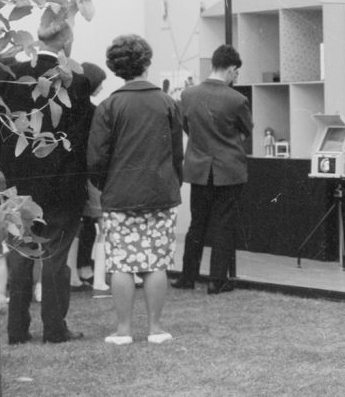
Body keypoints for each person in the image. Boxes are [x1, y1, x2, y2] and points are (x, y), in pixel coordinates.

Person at [0, 15, 93, 344]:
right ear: (66, 42)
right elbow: (81, 139)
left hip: (18, 183)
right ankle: (54, 328)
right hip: (63, 184)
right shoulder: (77, 83)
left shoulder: (11, 77)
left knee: (20, 254)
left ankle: (16, 330)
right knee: (55, 257)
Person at [87, 35, 183, 345]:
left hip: (120, 194)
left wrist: (106, 186)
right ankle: (156, 328)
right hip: (160, 191)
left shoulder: (108, 106)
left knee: (122, 263)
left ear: (116, 67)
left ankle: (123, 330)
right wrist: (171, 182)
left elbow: (96, 158)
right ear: (147, 61)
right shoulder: (168, 102)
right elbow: (177, 154)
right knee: (156, 262)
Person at [174, 45, 253, 294]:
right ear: (231, 69)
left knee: (197, 223)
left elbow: (186, 127)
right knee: (223, 224)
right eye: (236, 73)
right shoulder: (237, 99)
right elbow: (247, 130)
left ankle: (188, 276)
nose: (235, 77)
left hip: (198, 168)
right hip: (228, 169)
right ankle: (217, 280)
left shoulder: (188, 95)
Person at [72, 62, 108, 290]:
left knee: (80, 224)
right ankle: (90, 272)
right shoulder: (93, 112)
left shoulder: (74, 108)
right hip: (90, 174)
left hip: (77, 174)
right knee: (96, 222)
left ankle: (79, 269)